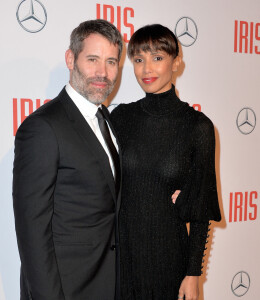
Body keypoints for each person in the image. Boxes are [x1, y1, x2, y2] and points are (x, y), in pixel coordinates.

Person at [13, 19, 123, 300]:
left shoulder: (107, 120)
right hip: (66, 288)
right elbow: (32, 232)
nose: (103, 72)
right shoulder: (43, 127)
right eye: (93, 59)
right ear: (70, 58)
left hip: (107, 282)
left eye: (111, 62)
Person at [110, 24, 221, 300]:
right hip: (121, 260)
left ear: (177, 63)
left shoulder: (198, 127)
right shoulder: (120, 118)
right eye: (138, 60)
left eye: (157, 58)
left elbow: (200, 212)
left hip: (169, 262)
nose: (147, 69)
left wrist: (194, 274)